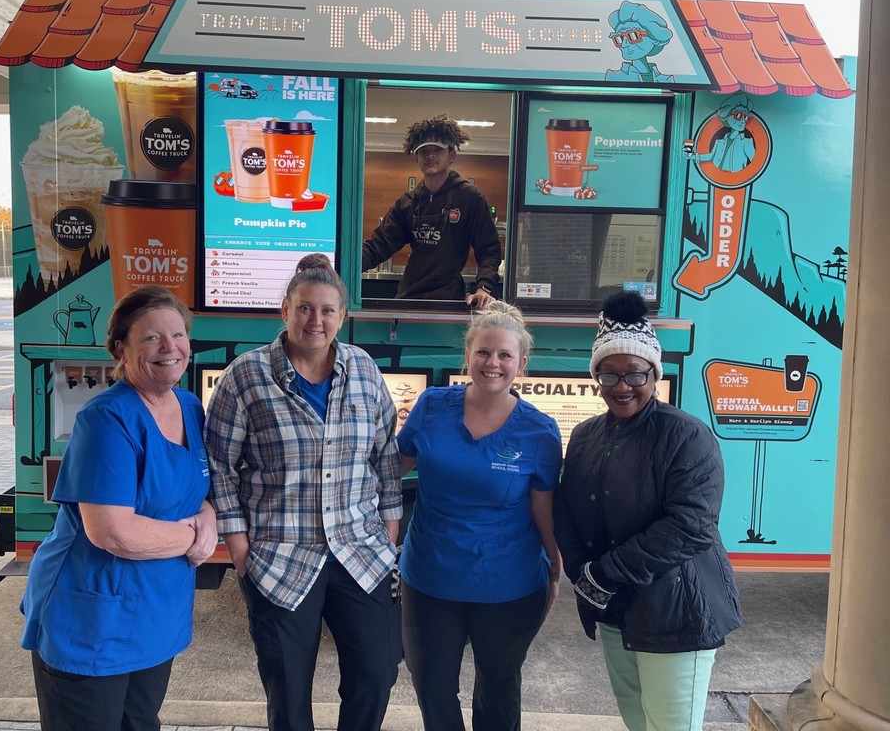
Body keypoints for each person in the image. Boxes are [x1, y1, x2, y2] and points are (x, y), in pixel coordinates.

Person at [205, 253, 402, 731]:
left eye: (328, 310)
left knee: (377, 672)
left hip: (360, 552)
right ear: (285, 310)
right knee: (288, 690)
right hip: (278, 556)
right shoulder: (246, 376)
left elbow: (385, 457)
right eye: (305, 308)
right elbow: (219, 465)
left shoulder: (363, 369)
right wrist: (238, 546)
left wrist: (390, 536)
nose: (316, 320)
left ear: (343, 315)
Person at [20, 285, 217, 731]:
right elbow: (112, 531)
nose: (170, 348)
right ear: (120, 349)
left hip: (156, 613)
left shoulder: (189, 408)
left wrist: (208, 515)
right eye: (151, 338)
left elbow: (195, 488)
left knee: (141, 723)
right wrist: (196, 538)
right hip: (92, 618)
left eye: (178, 335)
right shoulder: (106, 420)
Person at [553, 291, 742, 731]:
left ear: (654, 374)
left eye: (635, 374)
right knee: (638, 720)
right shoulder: (585, 435)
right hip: (617, 611)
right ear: (595, 376)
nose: (622, 386)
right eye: (609, 374)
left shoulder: (686, 435)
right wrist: (582, 572)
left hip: (677, 614)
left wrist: (606, 572)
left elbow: (690, 526)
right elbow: (567, 505)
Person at [397, 300, 564, 731]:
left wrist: (556, 568)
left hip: (509, 584)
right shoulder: (432, 406)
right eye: (484, 352)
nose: (494, 363)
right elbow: (387, 472)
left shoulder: (540, 432)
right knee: (432, 687)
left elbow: (542, 508)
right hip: (430, 577)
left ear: (521, 364)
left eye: (505, 355)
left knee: (498, 688)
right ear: (468, 356)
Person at [361, 113, 501, 305]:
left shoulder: (470, 197)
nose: (431, 156)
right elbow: (378, 246)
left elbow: (489, 249)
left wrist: (483, 288)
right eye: (424, 151)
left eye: (437, 150)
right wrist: (338, 267)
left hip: (448, 300)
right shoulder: (407, 203)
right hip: (408, 298)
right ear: (416, 158)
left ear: (452, 155)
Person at [683, 92, 756, 173]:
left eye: (746, 117)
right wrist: (692, 156)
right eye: (738, 115)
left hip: (736, 182)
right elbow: (712, 156)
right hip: (716, 177)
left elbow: (756, 162)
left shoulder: (746, 142)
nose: (743, 121)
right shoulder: (720, 142)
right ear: (727, 116)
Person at [604, 0, 675, 84]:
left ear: (654, 39)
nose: (624, 45)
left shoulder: (666, 80)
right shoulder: (613, 77)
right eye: (619, 38)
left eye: (633, 36)